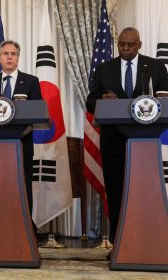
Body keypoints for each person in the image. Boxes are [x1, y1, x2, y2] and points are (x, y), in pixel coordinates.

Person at [86, 27, 168, 245]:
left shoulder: (157, 68)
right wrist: (103, 100)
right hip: (113, 142)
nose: (125, 48)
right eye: (121, 44)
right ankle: (118, 242)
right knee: (116, 192)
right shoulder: (105, 69)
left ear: (139, 45)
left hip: (146, 143)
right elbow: (90, 102)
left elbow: (165, 101)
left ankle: (149, 240)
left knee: (145, 191)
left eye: (130, 45)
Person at [0, 40, 42, 216]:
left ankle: (25, 229)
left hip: (23, 143)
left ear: (18, 57)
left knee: (23, 186)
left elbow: (37, 111)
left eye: (13, 54)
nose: (9, 57)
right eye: (5, 54)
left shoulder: (31, 81)